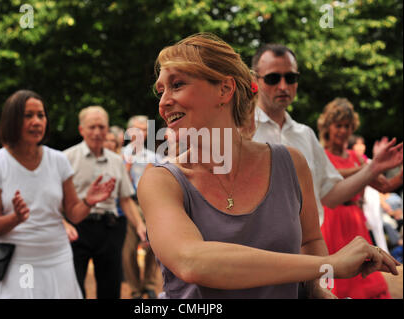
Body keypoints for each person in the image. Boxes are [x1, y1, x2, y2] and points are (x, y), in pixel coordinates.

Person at [137, 33, 400, 299]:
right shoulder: (160, 181)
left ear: (225, 90)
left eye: (177, 85)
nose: (163, 102)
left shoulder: (292, 163)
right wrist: (331, 263)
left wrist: (320, 293)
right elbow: (191, 261)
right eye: (161, 91)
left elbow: (310, 241)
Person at [0, 90, 115, 299]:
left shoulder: (58, 160)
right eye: (28, 115)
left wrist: (88, 201)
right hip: (19, 262)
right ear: (12, 120)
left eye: (41, 115)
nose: (37, 122)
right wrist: (16, 218)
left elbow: (74, 214)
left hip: (58, 258)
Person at [250, 43, 403, 227]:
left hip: (310, 249)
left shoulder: (305, 134)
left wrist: (374, 167)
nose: (283, 86)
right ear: (255, 80)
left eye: (290, 78)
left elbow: (330, 194)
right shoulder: (240, 131)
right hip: (261, 250)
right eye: (273, 78)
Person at [317, 97, 401, 298]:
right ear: (328, 127)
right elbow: (331, 175)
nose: (343, 131)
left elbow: (385, 186)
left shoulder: (356, 157)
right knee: (336, 279)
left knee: (367, 281)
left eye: (347, 126)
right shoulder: (321, 155)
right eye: (338, 125)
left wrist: (399, 174)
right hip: (332, 221)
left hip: (355, 222)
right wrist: (368, 168)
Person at [63, 106, 147, 299]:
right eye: (92, 127)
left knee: (110, 289)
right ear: (81, 129)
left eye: (102, 127)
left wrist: (140, 225)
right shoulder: (66, 158)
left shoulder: (117, 161)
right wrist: (64, 224)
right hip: (77, 229)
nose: (97, 132)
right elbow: (54, 200)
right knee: (74, 289)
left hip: (110, 228)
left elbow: (125, 199)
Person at [122, 115, 161, 299]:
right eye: (137, 129)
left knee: (154, 246)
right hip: (129, 204)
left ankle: (150, 285)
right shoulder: (120, 156)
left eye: (145, 130)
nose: (141, 133)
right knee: (128, 250)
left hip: (151, 204)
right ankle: (136, 289)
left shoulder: (154, 157)